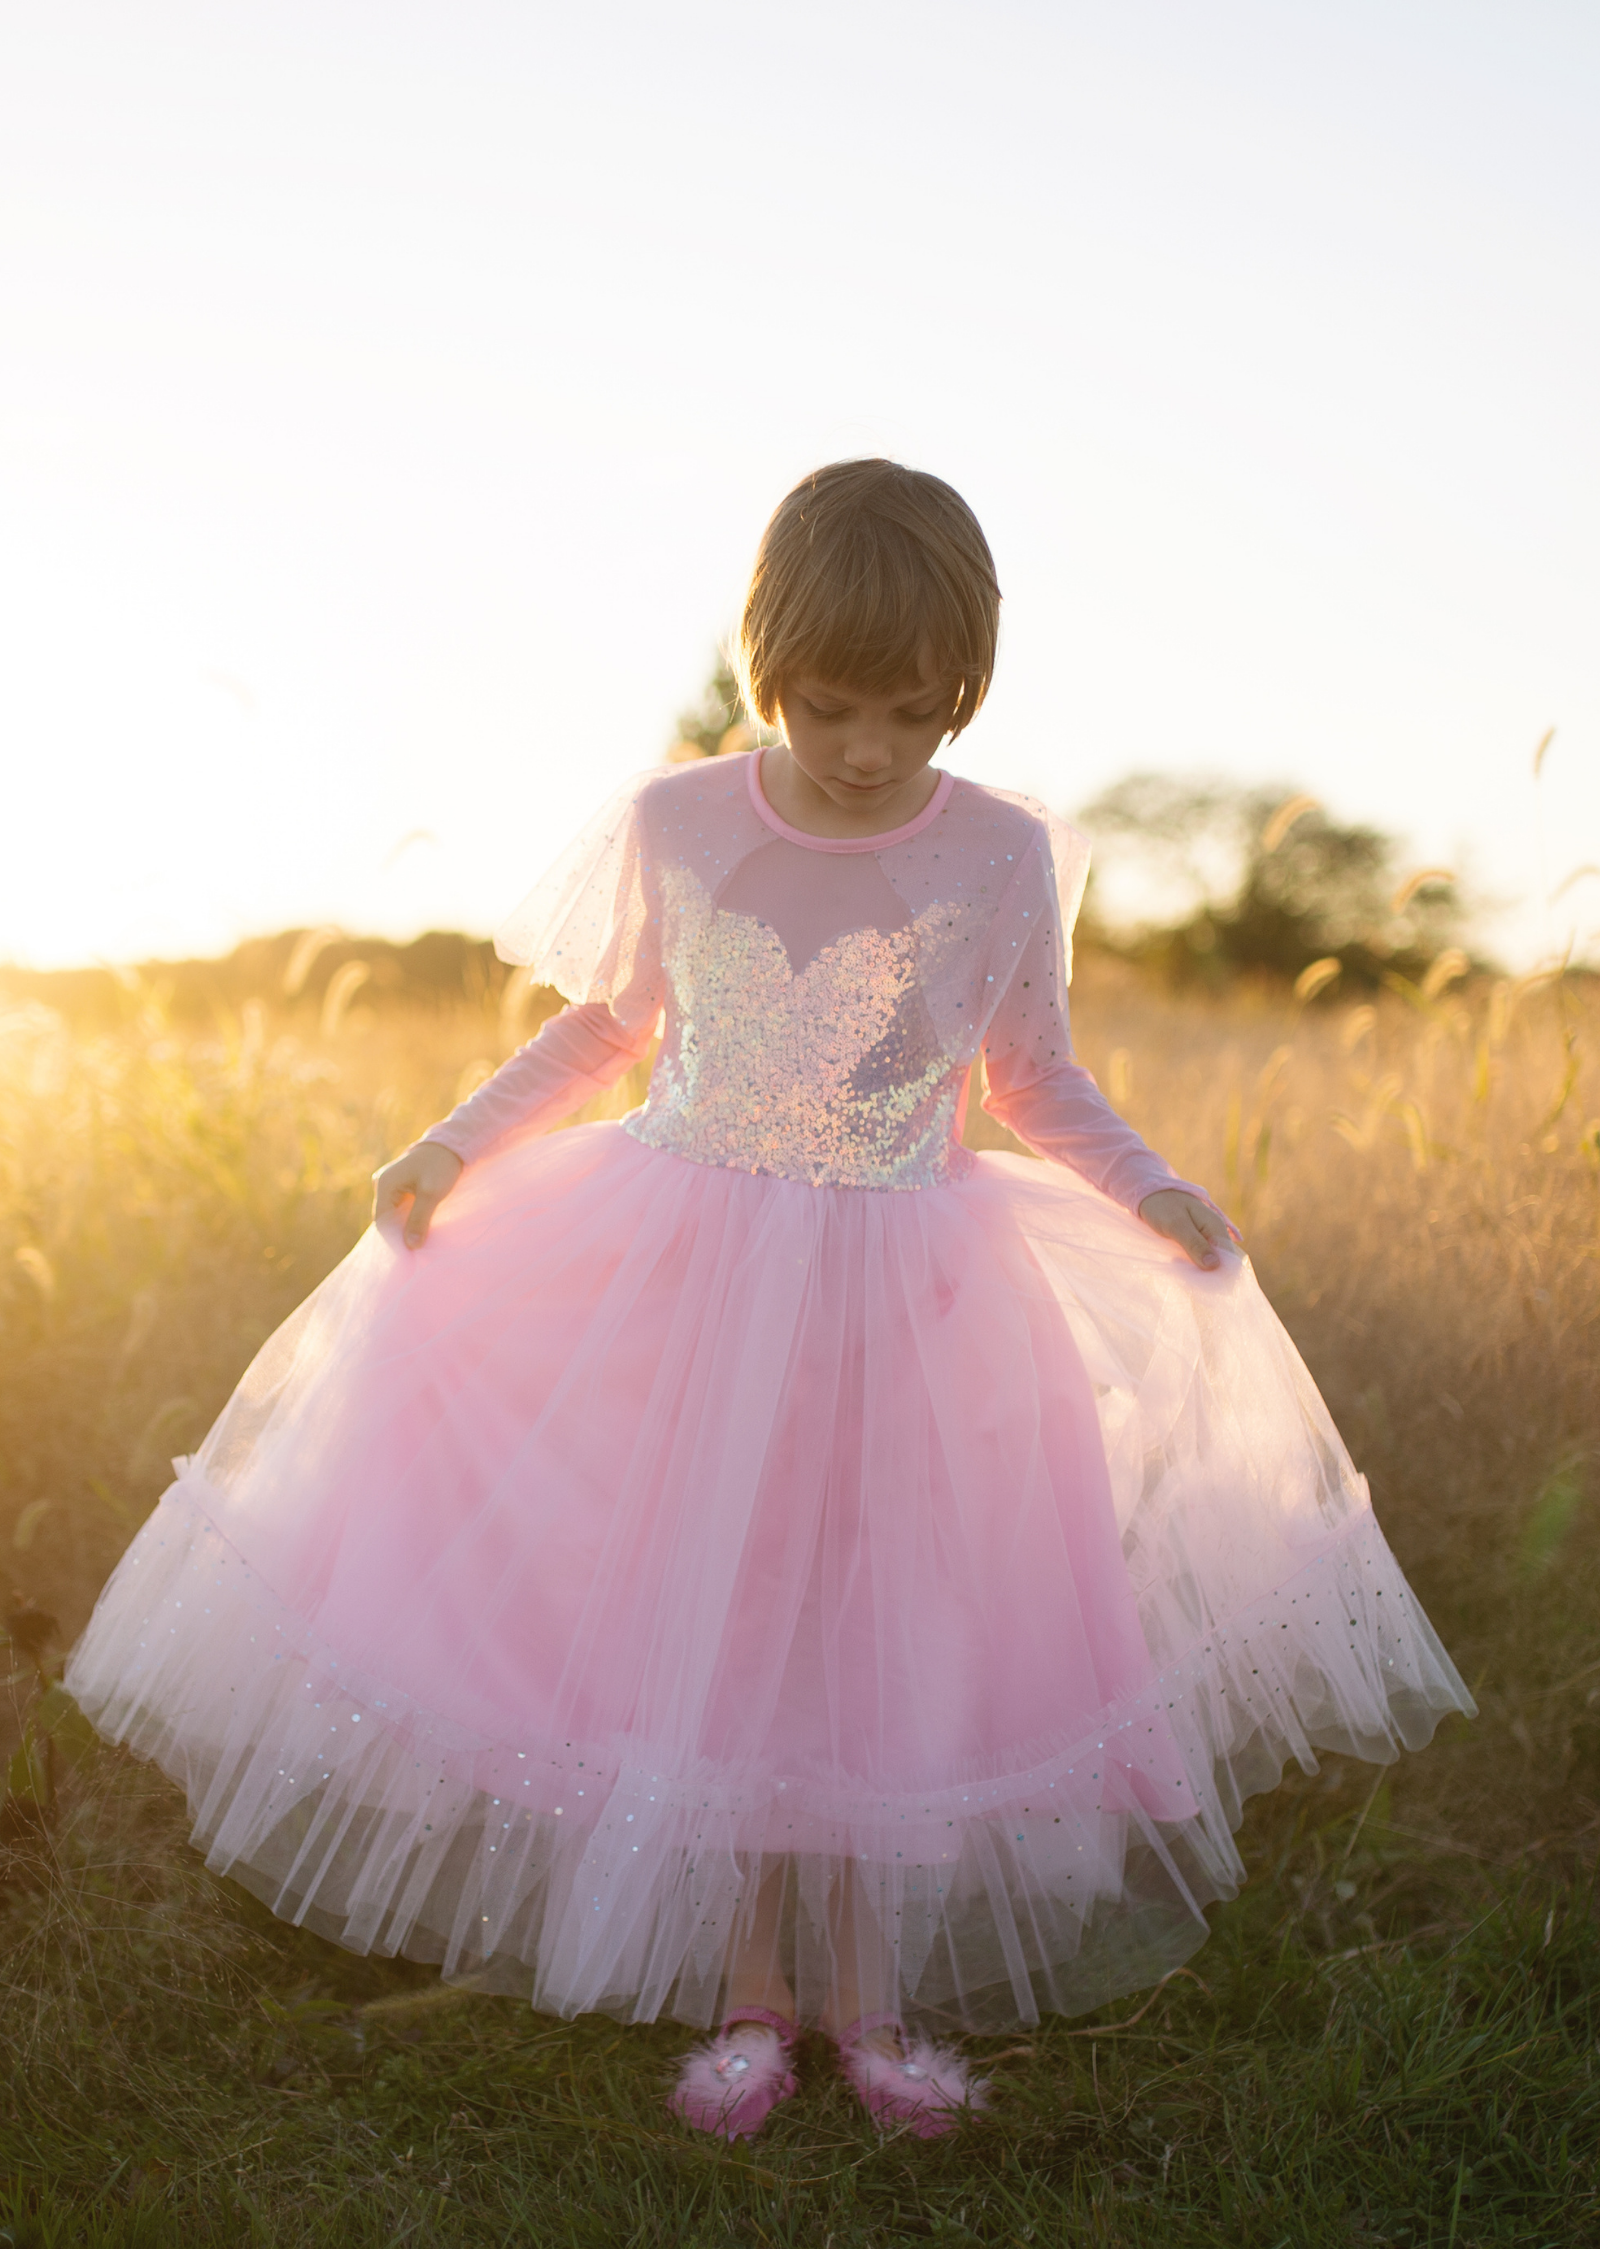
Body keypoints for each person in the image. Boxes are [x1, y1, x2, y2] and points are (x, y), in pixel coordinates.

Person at [67, 461, 1472, 2140]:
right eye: (831, 705)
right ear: (766, 662)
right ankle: (751, 1995)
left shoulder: (1003, 854)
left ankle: (870, 2003)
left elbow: (1032, 1074)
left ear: (965, 690)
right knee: (730, 1608)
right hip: (687, 1278)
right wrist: (450, 1142)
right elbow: (608, 1027)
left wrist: (1151, 1185)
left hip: (908, 1292)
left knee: (882, 1614)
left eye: (914, 712)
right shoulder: (680, 822)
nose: (870, 747)